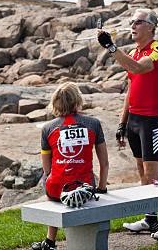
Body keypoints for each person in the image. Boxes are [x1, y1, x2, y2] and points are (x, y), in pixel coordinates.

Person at [96, 8, 158, 241]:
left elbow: (139, 67)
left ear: (151, 27)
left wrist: (111, 48)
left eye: (138, 22)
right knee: (141, 170)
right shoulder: (133, 52)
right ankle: (150, 218)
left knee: (153, 171)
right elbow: (131, 89)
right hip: (135, 119)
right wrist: (122, 123)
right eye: (131, 22)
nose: (133, 25)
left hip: (152, 118)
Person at [32, 82, 109, 250]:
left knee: (51, 177)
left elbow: (47, 169)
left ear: (55, 103)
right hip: (85, 190)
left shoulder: (47, 128)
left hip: (56, 191)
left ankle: (50, 241)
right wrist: (101, 188)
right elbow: (104, 164)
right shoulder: (93, 123)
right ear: (77, 100)